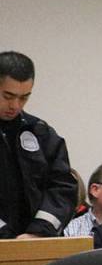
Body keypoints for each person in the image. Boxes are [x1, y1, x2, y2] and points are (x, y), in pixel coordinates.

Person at [0, 51, 77, 238]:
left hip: (35, 244)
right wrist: (5, 236)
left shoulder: (40, 132)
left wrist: (39, 231)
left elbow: (63, 187)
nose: (15, 106)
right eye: (8, 96)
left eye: (24, 97)